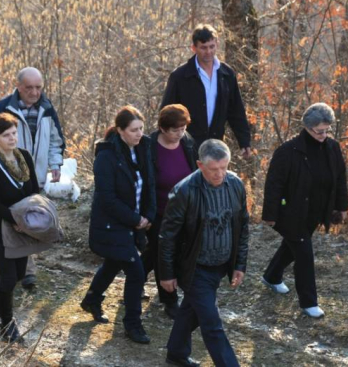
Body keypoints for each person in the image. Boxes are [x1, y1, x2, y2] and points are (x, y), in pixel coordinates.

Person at [159, 139, 249, 367]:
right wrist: (166, 272)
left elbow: (242, 226)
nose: (220, 174)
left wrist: (239, 264)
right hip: (195, 267)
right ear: (200, 165)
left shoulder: (236, 185)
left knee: (191, 311)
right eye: (213, 169)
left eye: (224, 167)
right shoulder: (184, 191)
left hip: (221, 265)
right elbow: (167, 236)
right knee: (212, 323)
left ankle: (176, 354)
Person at [0, 67, 65, 289]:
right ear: (18, 87)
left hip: (33, 174)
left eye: (38, 87)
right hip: (8, 177)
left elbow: (55, 139)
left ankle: (23, 269)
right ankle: (17, 270)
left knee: (30, 220)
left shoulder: (47, 108)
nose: (34, 92)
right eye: (29, 88)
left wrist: (54, 163)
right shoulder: (4, 108)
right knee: (13, 224)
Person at [261, 103, 348, 319]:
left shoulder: (333, 147)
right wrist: (270, 215)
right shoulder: (288, 151)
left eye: (327, 130)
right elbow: (274, 184)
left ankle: (271, 276)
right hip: (290, 212)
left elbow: (340, 179)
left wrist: (341, 206)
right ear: (308, 128)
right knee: (304, 253)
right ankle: (309, 302)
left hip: (316, 211)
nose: (324, 135)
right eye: (320, 131)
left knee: (293, 247)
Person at [80, 106, 156, 344]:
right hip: (112, 225)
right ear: (120, 130)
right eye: (134, 130)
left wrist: (149, 215)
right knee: (136, 271)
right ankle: (132, 324)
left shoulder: (144, 147)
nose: (139, 134)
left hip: (134, 222)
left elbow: (149, 184)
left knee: (114, 263)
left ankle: (92, 299)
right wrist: (136, 220)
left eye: (142, 128)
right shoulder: (106, 156)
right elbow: (107, 199)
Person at [0, 112, 40, 343]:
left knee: (20, 274)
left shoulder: (24, 156)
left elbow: (34, 190)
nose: (13, 138)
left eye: (14, 133)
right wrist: (17, 221)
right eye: (6, 135)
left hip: (22, 226)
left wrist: (33, 217)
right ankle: (7, 325)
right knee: (8, 276)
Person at [161, 24, 251, 158]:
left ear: (217, 44)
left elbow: (236, 110)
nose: (208, 51)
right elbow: (166, 113)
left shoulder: (227, 74)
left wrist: (244, 141)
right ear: (194, 48)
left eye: (211, 46)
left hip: (216, 144)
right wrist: (166, 145)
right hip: (186, 146)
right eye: (203, 48)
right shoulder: (180, 76)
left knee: (215, 177)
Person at [141, 104, 197, 320]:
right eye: (175, 130)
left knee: (155, 252)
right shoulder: (149, 146)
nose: (180, 133)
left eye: (183, 128)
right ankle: (170, 300)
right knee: (163, 253)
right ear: (163, 128)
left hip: (182, 210)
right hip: (158, 210)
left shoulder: (187, 142)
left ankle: (135, 277)